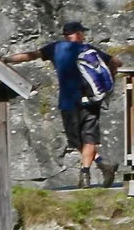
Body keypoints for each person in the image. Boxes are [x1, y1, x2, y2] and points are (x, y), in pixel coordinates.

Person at [8, 20, 113, 187]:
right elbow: (116, 62)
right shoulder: (90, 50)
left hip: (68, 101)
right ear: (78, 34)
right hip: (91, 101)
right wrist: (107, 85)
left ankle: (92, 171)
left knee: (76, 141)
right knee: (89, 138)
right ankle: (96, 166)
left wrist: (6, 59)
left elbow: (30, 55)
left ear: (66, 35)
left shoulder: (55, 48)